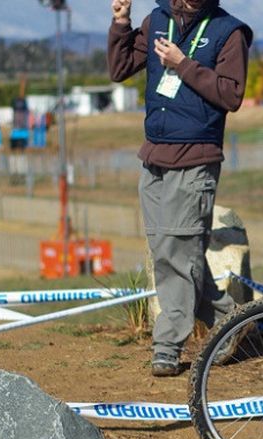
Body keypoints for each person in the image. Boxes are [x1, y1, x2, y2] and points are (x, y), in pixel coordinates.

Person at [108, 0, 252, 377]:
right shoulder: (156, 20)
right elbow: (120, 69)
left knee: (178, 253)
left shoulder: (229, 32)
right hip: (153, 154)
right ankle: (231, 320)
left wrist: (183, 64)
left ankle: (167, 346)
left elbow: (231, 95)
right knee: (169, 253)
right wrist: (120, 23)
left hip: (196, 158)